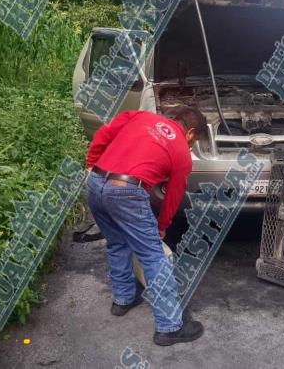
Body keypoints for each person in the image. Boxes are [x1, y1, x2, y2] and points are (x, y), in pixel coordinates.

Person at [85, 106, 207, 346]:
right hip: (126, 191)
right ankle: (170, 327)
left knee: (117, 243)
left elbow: (103, 134)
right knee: (153, 256)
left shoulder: (139, 116)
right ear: (190, 132)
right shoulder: (181, 151)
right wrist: (162, 226)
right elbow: (173, 196)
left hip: (96, 182)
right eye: (195, 141)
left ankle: (123, 300)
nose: (192, 145)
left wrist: (91, 163)